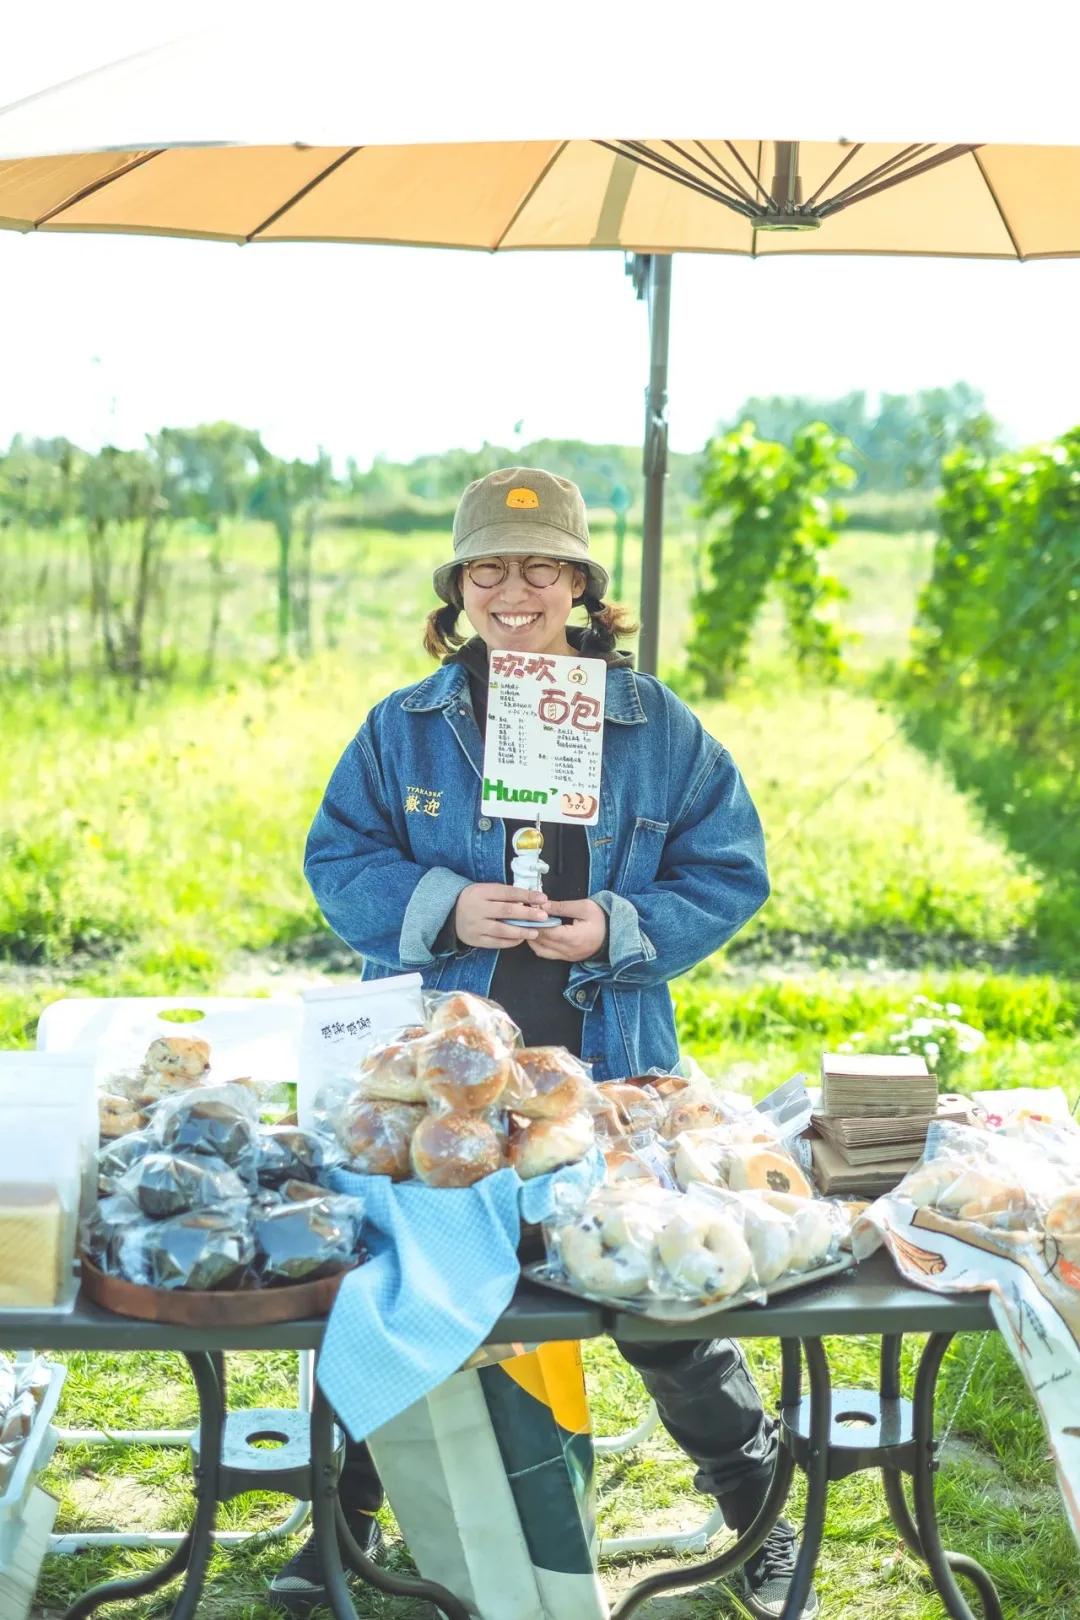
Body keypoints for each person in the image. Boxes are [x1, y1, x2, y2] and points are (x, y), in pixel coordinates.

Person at [274, 468, 818, 1620]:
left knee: (655, 1296)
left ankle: (757, 1510)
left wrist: (617, 927)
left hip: (605, 1065)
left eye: (539, 567)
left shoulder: (654, 728)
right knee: (422, 1289)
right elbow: (336, 863)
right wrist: (444, 907)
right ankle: (348, 1526)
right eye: (489, 567)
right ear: (458, 588)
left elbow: (731, 869)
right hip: (445, 1079)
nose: (513, 590)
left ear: (581, 585)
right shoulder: (404, 729)